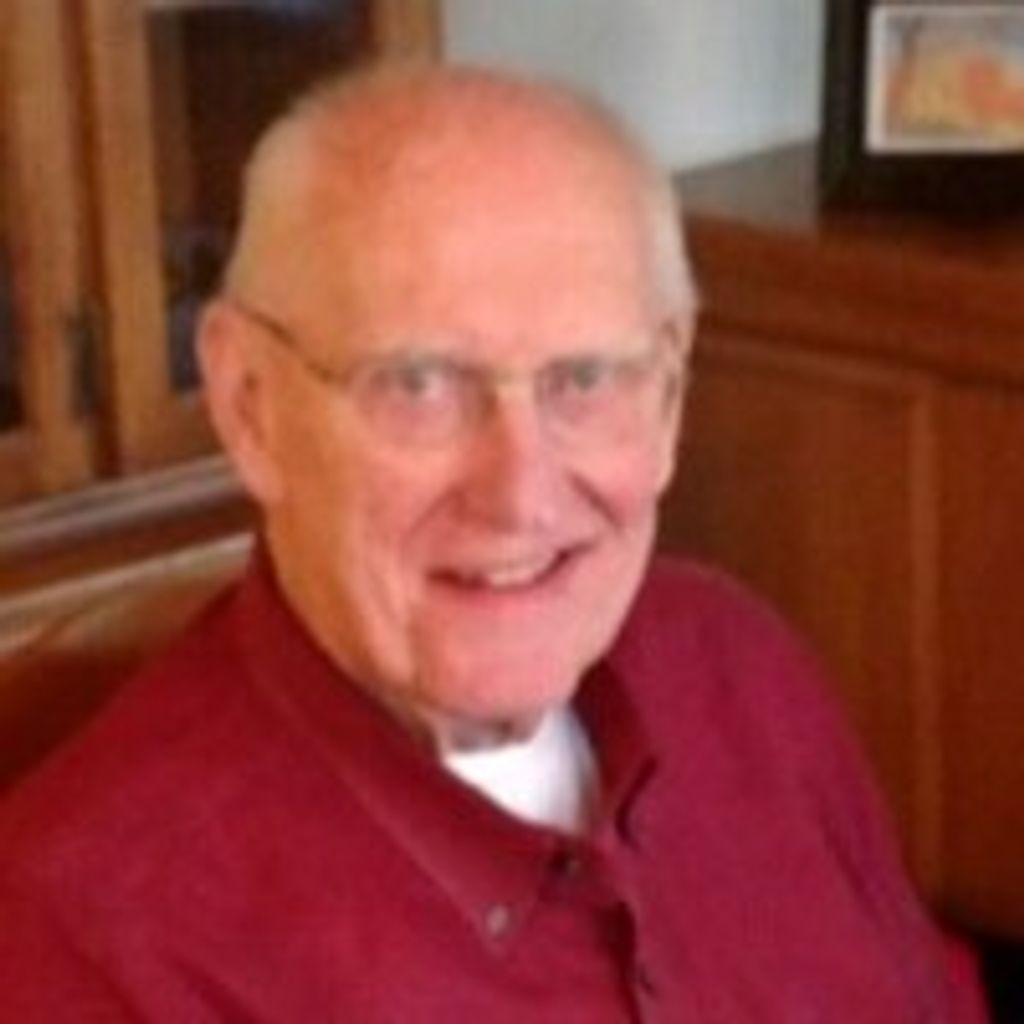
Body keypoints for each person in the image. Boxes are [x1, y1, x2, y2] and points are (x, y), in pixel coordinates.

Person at [0, 65, 985, 1022]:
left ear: (671, 393)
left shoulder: (735, 668)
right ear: (248, 405)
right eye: (420, 384)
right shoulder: (83, 944)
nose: (519, 494)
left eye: (584, 378)